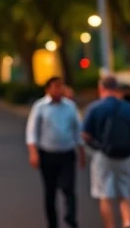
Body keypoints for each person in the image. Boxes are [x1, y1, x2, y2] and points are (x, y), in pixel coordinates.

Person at [82, 75, 130, 228]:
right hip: (125, 155)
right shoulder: (127, 107)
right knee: (125, 192)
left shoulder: (95, 108)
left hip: (103, 155)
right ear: (116, 89)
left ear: (101, 88)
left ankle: (110, 226)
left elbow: (85, 134)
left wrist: (97, 145)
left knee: (105, 195)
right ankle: (127, 222)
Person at [27, 76, 84, 228]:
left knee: (69, 188)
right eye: (55, 87)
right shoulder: (40, 107)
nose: (58, 90)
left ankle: (70, 219)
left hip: (67, 153)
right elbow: (32, 132)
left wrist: (82, 152)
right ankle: (52, 223)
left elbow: (78, 130)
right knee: (50, 191)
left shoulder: (70, 106)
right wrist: (33, 152)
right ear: (48, 89)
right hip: (48, 154)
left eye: (60, 87)